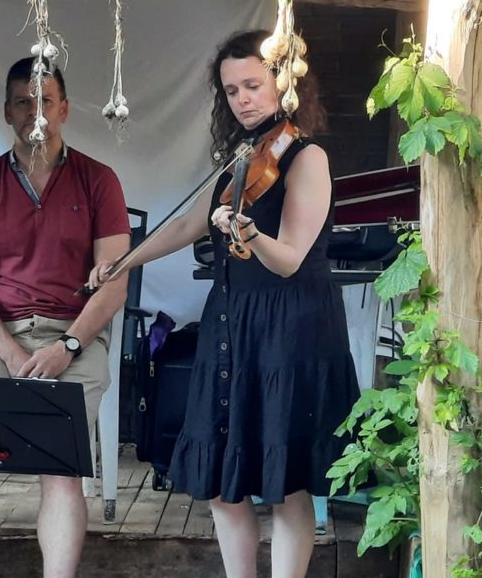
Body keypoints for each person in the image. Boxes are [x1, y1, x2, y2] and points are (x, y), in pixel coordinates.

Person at [88, 30, 360, 578]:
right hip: (231, 323)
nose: (242, 99)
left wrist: (247, 232)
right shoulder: (240, 157)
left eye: (253, 85)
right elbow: (190, 223)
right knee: (220, 484)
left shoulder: (307, 157)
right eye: (232, 90)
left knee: (286, 485)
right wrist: (125, 261)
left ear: (285, 82)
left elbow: (287, 259)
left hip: (290, 329)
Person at [0, 58, 130, 578]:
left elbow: (116, 284)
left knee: (57, 458)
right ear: (7, 111)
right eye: (23, 101)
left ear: (64, 108)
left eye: (45, 100)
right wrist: (12, 352)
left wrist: (65, 346)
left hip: (74, 337)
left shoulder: (99, 180)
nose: (35, 112)